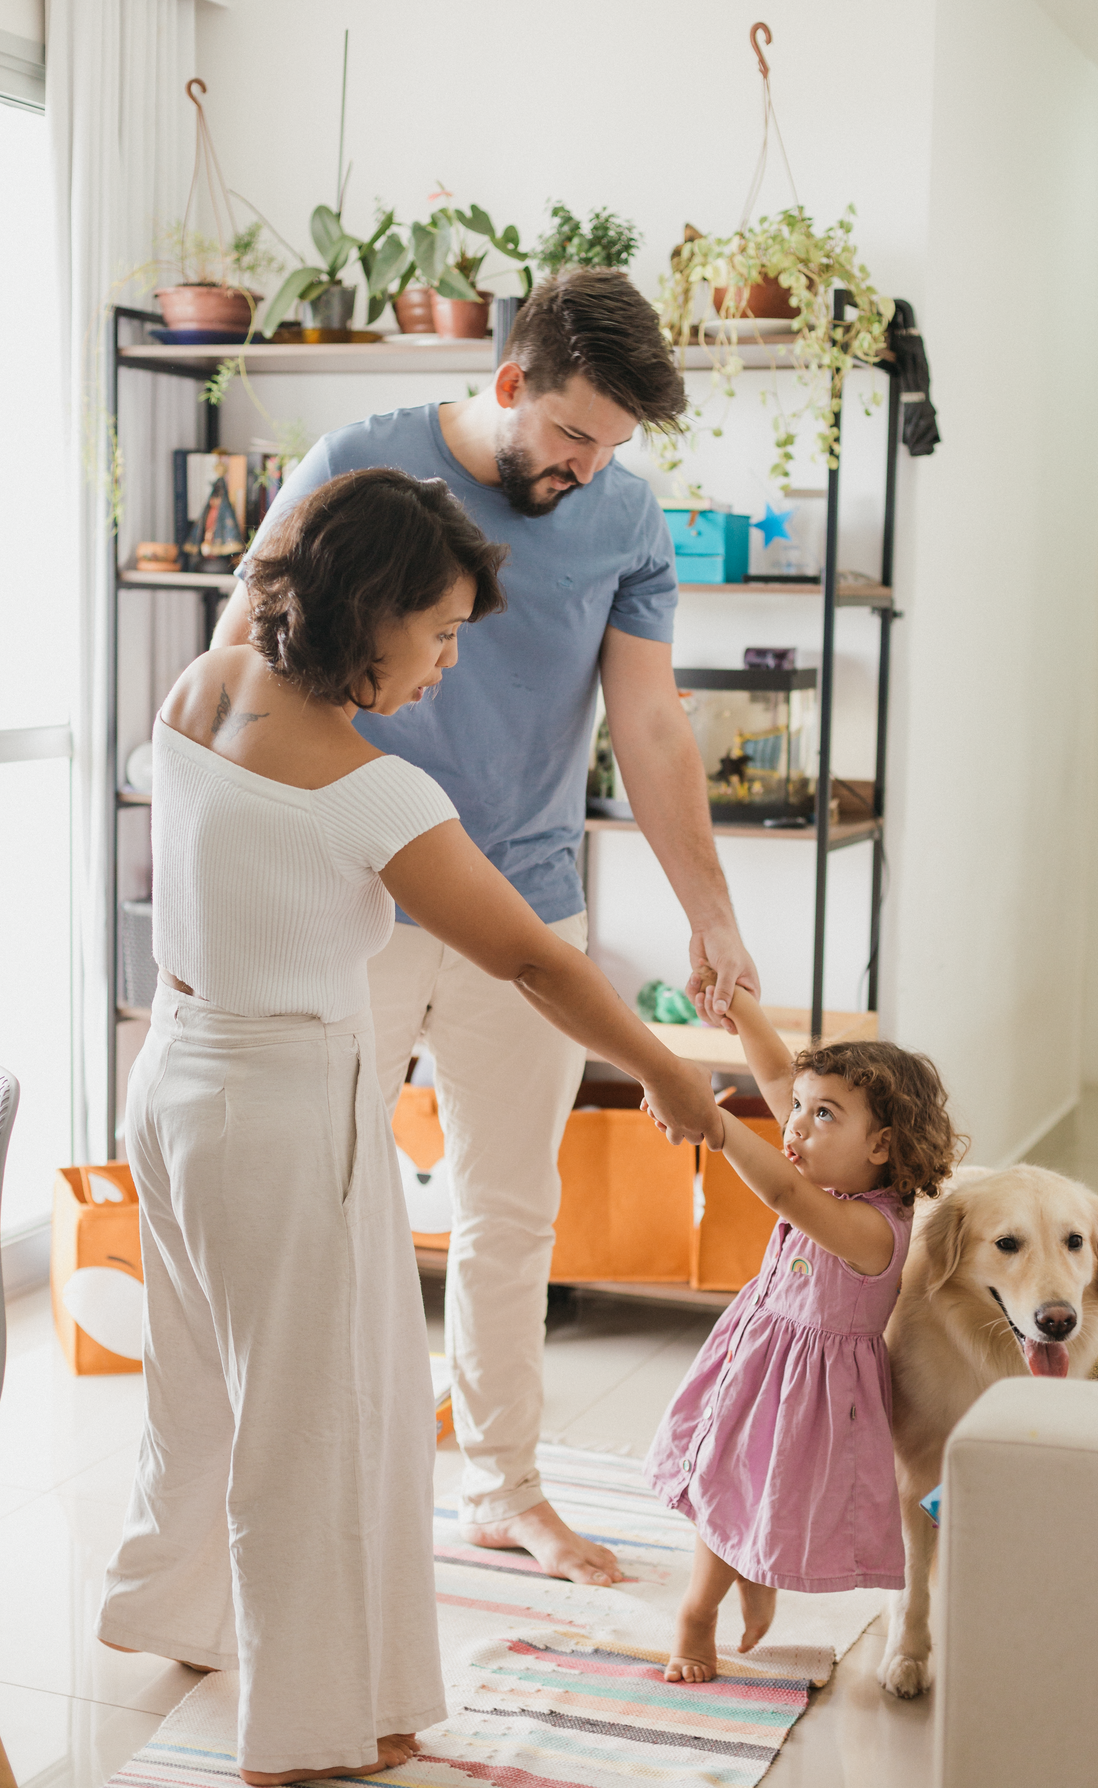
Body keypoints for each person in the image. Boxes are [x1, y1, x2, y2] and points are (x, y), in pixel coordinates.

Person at [98, 469, 720, 1782]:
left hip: (174, 1078)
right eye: (437, 632)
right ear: (365, 612)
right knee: (313, 1427)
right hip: (281, 1112)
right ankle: (303, 1728)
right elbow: (539, 966)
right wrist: (665, 1073)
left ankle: (179, 1613)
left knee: (202, 1385)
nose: (448, 662)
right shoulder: (375, 794)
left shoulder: (200, 690)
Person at [211, 268, 761, 1586]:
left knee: (512, 1210)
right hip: (351, 893)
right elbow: (244, 644)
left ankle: (504, 1489)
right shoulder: (362, 463)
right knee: (326, 1199)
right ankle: (313, 1488)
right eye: (573, 436)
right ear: (511, 383)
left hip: (523, 893)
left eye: (615, 447)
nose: (588, 468)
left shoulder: (625, 516)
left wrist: (712, 915)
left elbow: (650, 724)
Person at [644, 971, 961, 1682]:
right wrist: (738, 1007)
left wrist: (716, 1125)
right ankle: (732, 1585)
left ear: (881, 1146)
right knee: (726, 1481)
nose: (793, 1123)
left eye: (823, 1115)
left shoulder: (867, 1226)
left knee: (757, 1488)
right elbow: (780, 1074)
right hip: (759, 1357)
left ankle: (698, 1614)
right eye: (800, 1110)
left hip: (810, 1397)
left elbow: (783, 1190)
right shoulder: (835, 1176)